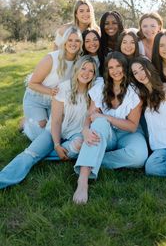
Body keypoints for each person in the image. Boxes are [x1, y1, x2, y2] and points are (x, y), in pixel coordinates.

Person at [0, 56, 98, 189]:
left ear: (94, 74)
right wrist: (57, 144)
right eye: (83, 68)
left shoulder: (94, 92)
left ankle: (41, 154)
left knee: (78, 146)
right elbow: (56, 120)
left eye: (91, 71)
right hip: (55, 130)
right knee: (30, 154)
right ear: (77, 69)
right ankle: (3, 179)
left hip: (77, 132)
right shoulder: (63, 88)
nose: (86, 73)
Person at [73, 51, 148, 204]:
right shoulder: (100, 86)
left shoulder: (135, 92)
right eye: (111, 67)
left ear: (124, 67)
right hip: (106, 133)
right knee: (99, 122)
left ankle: (89, 159)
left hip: (128, 133)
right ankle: (83, 180)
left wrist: (106, 117)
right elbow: (90, 115)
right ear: (107, 70)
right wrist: (86, 130)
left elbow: (132, 126)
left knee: (139, 156)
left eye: (118, 66)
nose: (115, 71)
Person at [23, 26, 83, 141]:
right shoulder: (51, 58)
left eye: (77, 41)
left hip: (55, 102)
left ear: (81, 43)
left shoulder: (79, 62)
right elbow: (32, 83)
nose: (73, 43)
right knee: (40, 136)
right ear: (64, 42)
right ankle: (26, 124)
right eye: (70, 40)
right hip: (36, 99)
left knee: (57, 133)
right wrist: (50, 91)